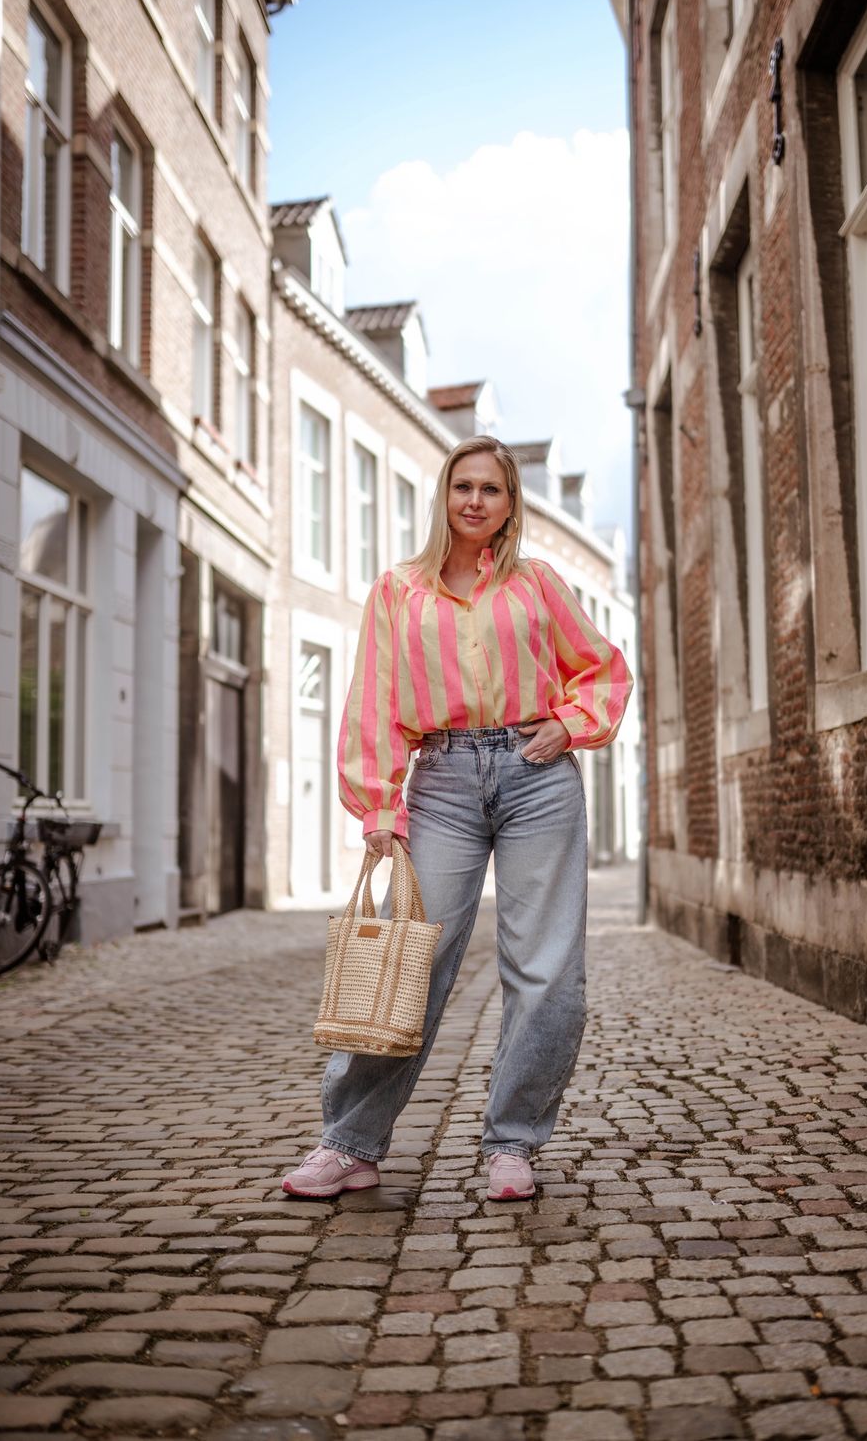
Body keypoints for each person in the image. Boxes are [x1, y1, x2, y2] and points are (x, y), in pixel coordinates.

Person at [283, 437, 633, 1202]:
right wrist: (378, 804)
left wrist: (568, 724)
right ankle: (350, 1144)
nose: (475, 501)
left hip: (536, 778)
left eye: (493, 490)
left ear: (511, 506)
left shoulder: (538, 585)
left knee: (546, 972)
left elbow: (603, 669)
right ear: (444, 497)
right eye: (463, 487)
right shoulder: (399, 592)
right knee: (411, 959)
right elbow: (374, 700)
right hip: (438, 781)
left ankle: (513, 1144)